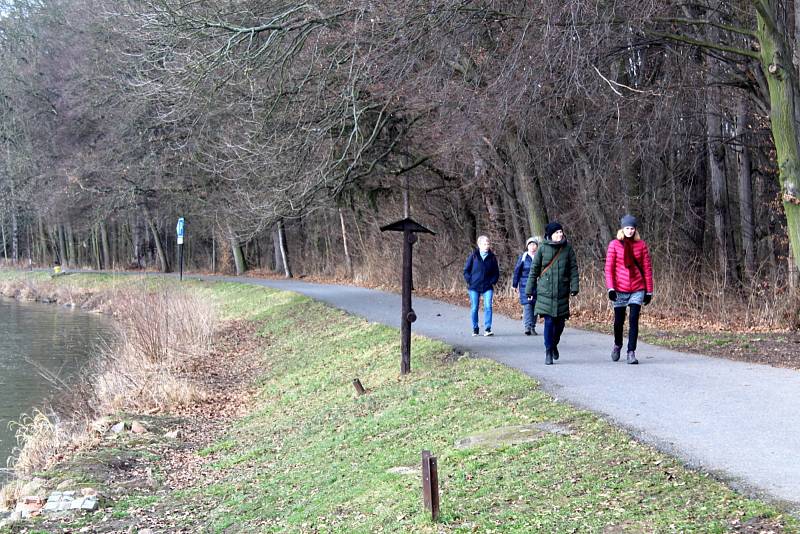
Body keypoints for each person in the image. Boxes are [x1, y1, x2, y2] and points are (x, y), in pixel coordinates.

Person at [525, 222, 579, 365]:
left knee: (560, 325)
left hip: (562, 291)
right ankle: (548, 350)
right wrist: (529, 290)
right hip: (545, 292)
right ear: (550, 235)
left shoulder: (567, 249)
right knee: (549, 322)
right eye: (556, 233)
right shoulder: (542, 249)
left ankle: (554, 344)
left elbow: (573, 269)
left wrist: (575, 286)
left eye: (561, 232)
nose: (560, 234)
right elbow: (534, 270)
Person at [604, 214, 654, 365]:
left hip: (637, 288)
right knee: (619, 321)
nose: (630, 231)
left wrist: (649, 291)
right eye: (627, 228)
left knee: (633, 319)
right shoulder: (614, 245)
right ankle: (618, 344)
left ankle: (631, 352)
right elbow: (609, 269)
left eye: (632, 228)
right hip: (619, 289)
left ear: (635, 229)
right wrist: (611, 288)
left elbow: (647, 268)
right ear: (622, 228)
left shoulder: (641, 245)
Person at [463, 235, 500, 336]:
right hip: (474, 287)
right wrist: (470, 281)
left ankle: (487, 328)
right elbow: (466, 271)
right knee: (474, 307)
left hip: (487, 287)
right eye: (484, 244)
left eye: (488, 243)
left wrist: (492, 281)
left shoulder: (492, 257)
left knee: (488, 306)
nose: (487, 246)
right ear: (479, 245)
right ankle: (475, 328)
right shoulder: (473, 256)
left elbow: (496, 272)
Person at [512, 236, 541, 335]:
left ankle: (533, 327)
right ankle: (527, 327)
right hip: (525, 284)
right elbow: (517, 271)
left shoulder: (539, 257)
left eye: (534, 245)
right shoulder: (523, 257)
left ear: (537, 247)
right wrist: (514, 285)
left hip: (537, 286)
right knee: (528, 305)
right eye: (530, 245)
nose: (532, 247)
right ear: (527, 246)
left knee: (535, 306)